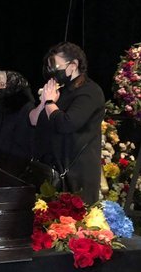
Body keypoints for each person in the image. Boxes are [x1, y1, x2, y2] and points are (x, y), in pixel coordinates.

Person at [29, 42, 105, 203]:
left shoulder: (90, 91)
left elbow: (66, 124)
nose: (52, 71)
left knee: (69, 218)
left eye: (56, 66)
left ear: (73, 65)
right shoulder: (60, 90)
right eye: (50, 66)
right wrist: (43, 103)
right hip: (50, 171)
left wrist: (50, 102)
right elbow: (33, 120)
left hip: (75, 176)